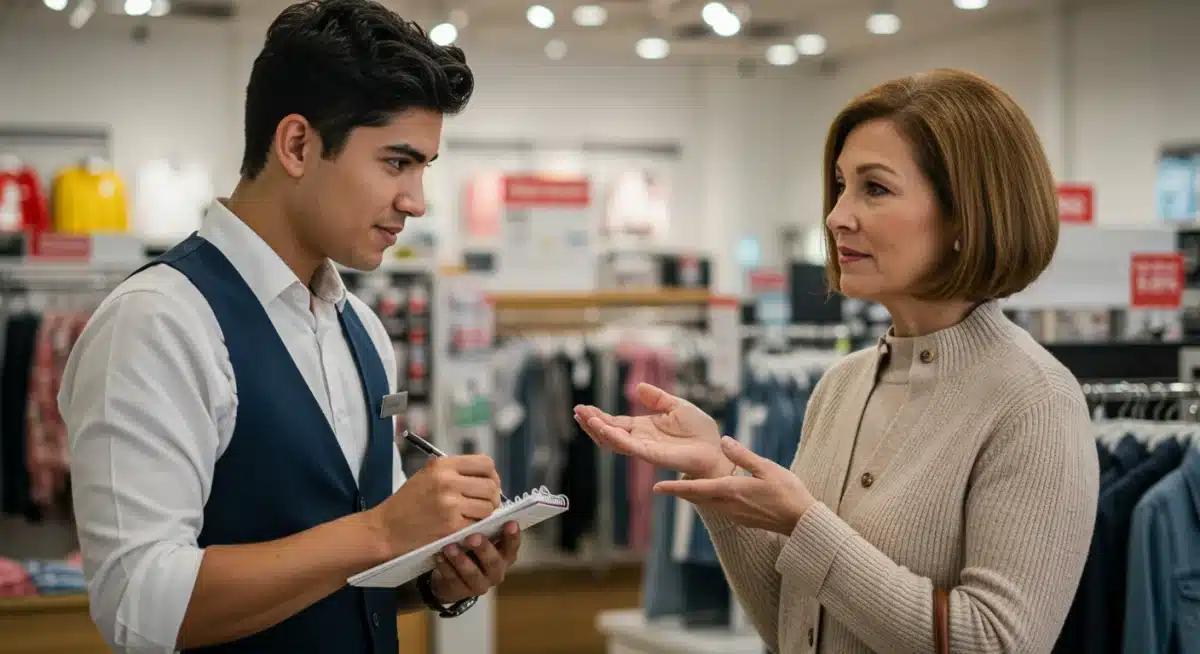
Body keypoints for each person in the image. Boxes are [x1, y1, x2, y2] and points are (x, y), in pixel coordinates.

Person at [575, 68, 1099, 654]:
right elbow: (792, 627)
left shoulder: (1033, 402)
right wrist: (715, 475)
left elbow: (998, 643)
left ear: (963, 215)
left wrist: (806, 526)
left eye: (874, 188)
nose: (836, 215)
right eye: (841, 185)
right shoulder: (840, 386)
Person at [59, 1, 520, 652]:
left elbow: (344, 572)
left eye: (423, 169)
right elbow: (139, 603)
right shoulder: (159, 323)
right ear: (298, 144)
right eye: (396, 163)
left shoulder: (361, 329)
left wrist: (437, 576)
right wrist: (384, 531)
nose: (416, 200)